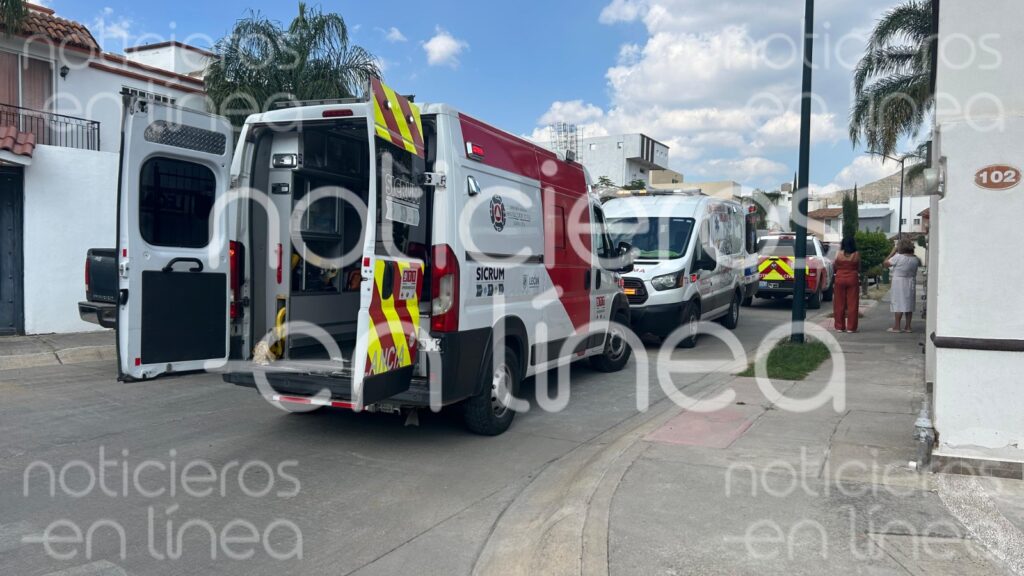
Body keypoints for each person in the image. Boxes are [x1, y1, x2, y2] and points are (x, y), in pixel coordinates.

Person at [883, 239, 921, 333]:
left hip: (899, 282)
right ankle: (908, 326)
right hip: (910, 281)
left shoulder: (898, 257)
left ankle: (897, 326)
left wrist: (892, 253)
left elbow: (885, 264)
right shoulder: (915, 259)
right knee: (909, 303)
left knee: (898, 302)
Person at [832, 236, 861, 333]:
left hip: (840, 278)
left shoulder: (838, 254)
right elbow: (858, 267)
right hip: (852, 278)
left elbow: (835, 266)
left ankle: (839, 326)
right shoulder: (856, 254)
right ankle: (851, 327)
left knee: (839, 303)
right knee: (852, 303)